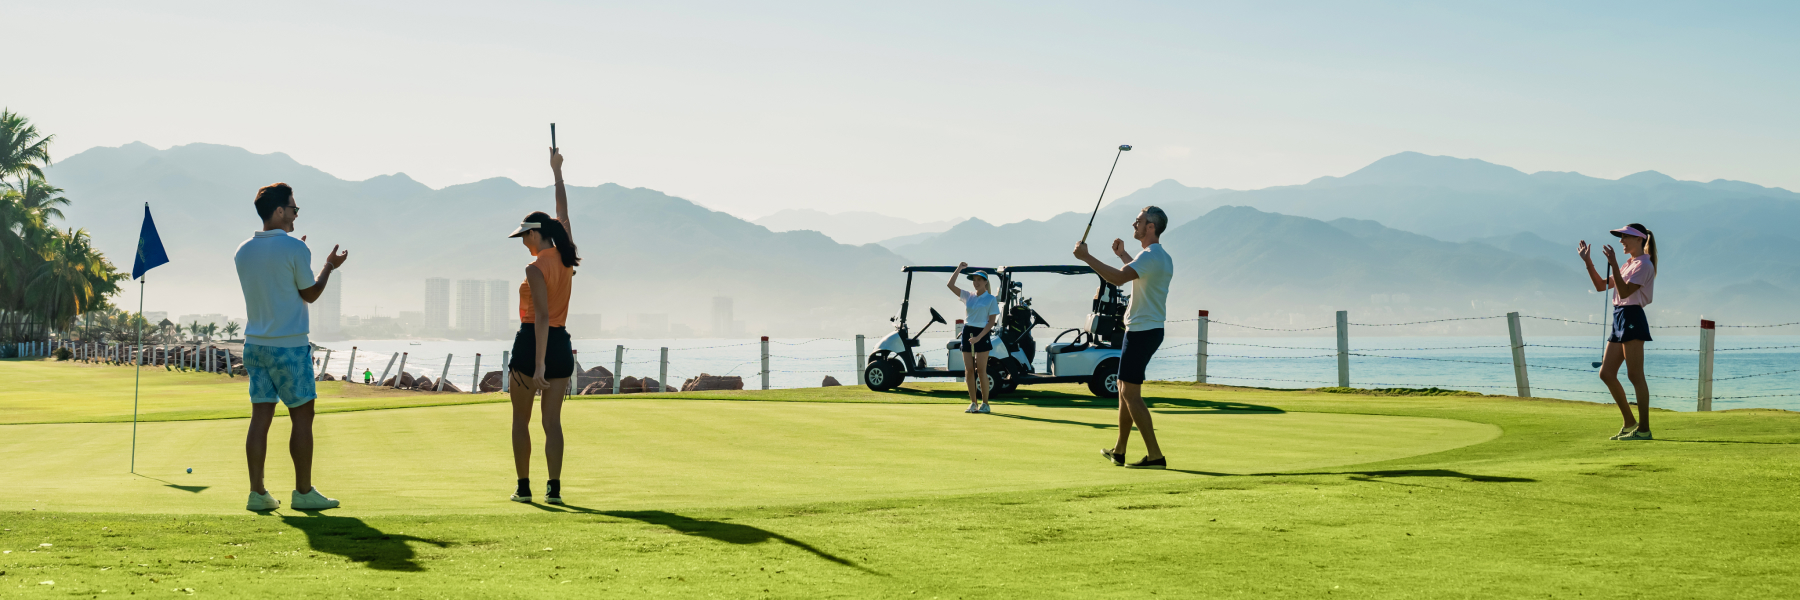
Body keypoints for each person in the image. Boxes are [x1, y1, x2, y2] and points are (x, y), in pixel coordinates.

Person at [234, 182, 349, 511]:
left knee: (261, 417)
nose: (296, 214)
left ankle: (257, 494)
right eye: (294, 209)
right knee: (302, 416)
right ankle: (303, 493)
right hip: (289, 346)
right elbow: (309, 294)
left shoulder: (243, 250)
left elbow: (274, 280)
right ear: (280, 211)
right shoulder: (296, 250)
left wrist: (296, 255)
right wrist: (328, 266)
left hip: (255, 345)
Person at [505, 147, 581, 504]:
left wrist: (537, 367)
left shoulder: (535, 268)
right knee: (552, 422)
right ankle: (554, 489)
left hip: (533, 344)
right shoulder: (565, 256)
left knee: (522, 420)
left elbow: (542, 317)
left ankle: (523, 488)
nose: (522, 243)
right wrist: (557, 172)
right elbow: (563, 211)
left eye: (523, 237)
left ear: (534, 234)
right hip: (562, 345)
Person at [1074, 206, 1174, 469]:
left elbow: (1119, 279)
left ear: (1150, 227)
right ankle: (1119, 450)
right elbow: (1135, 271)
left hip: (1143, 331)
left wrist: (1087, 257)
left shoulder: (1151, 255)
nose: (1134, 224)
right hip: (1143, 330)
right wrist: (1123, 255)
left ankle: (1155, 455)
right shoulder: (1154, 256)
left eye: (1139, 221)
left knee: (1130, 392)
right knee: (1123, 390)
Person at [1579, 224, 1659, 441]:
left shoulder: (1644, 265)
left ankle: (1644, 430)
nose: (1622, 241)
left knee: (1635, 375)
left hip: (1632, 316)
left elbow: (1624, 292)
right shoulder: (1628, 264)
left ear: (1640, 240)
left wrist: (1613, 263)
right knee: (1606, 373)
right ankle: (1630, 423)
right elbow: (1599, 286)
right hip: (1620, 317)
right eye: (1621, 237)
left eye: (1626, 237)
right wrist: (1588, 262)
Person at [948, 263, 1002, 414]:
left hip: (982, 334)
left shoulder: (990, 299)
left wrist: (979, 337)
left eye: (979, 279)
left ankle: (985, 404)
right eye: (974, 279)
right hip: (967, 332)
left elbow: (991, 322)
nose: (976, 282)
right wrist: (959, 268)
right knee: (969, 370)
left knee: (981, 370)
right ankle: (973, 403)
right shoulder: (968, 295)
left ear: (985, 282)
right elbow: (950, 285)